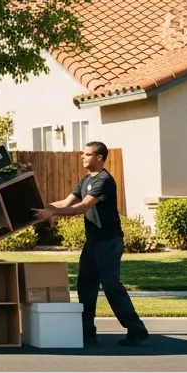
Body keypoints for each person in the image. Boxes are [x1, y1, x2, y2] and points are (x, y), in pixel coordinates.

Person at [32, 141, 149, 347]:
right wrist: (42, 209)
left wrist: (52, 212)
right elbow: (65, 203)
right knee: (85, 286)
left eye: (87, 154)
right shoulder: (85, 180)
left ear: (100, 158)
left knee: (111, 285)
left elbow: (82, 207)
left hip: (109, 242)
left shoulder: (104, 180)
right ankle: (87, 332)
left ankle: (136, 329)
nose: (83, 157)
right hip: (93, 242)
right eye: (83, 154)